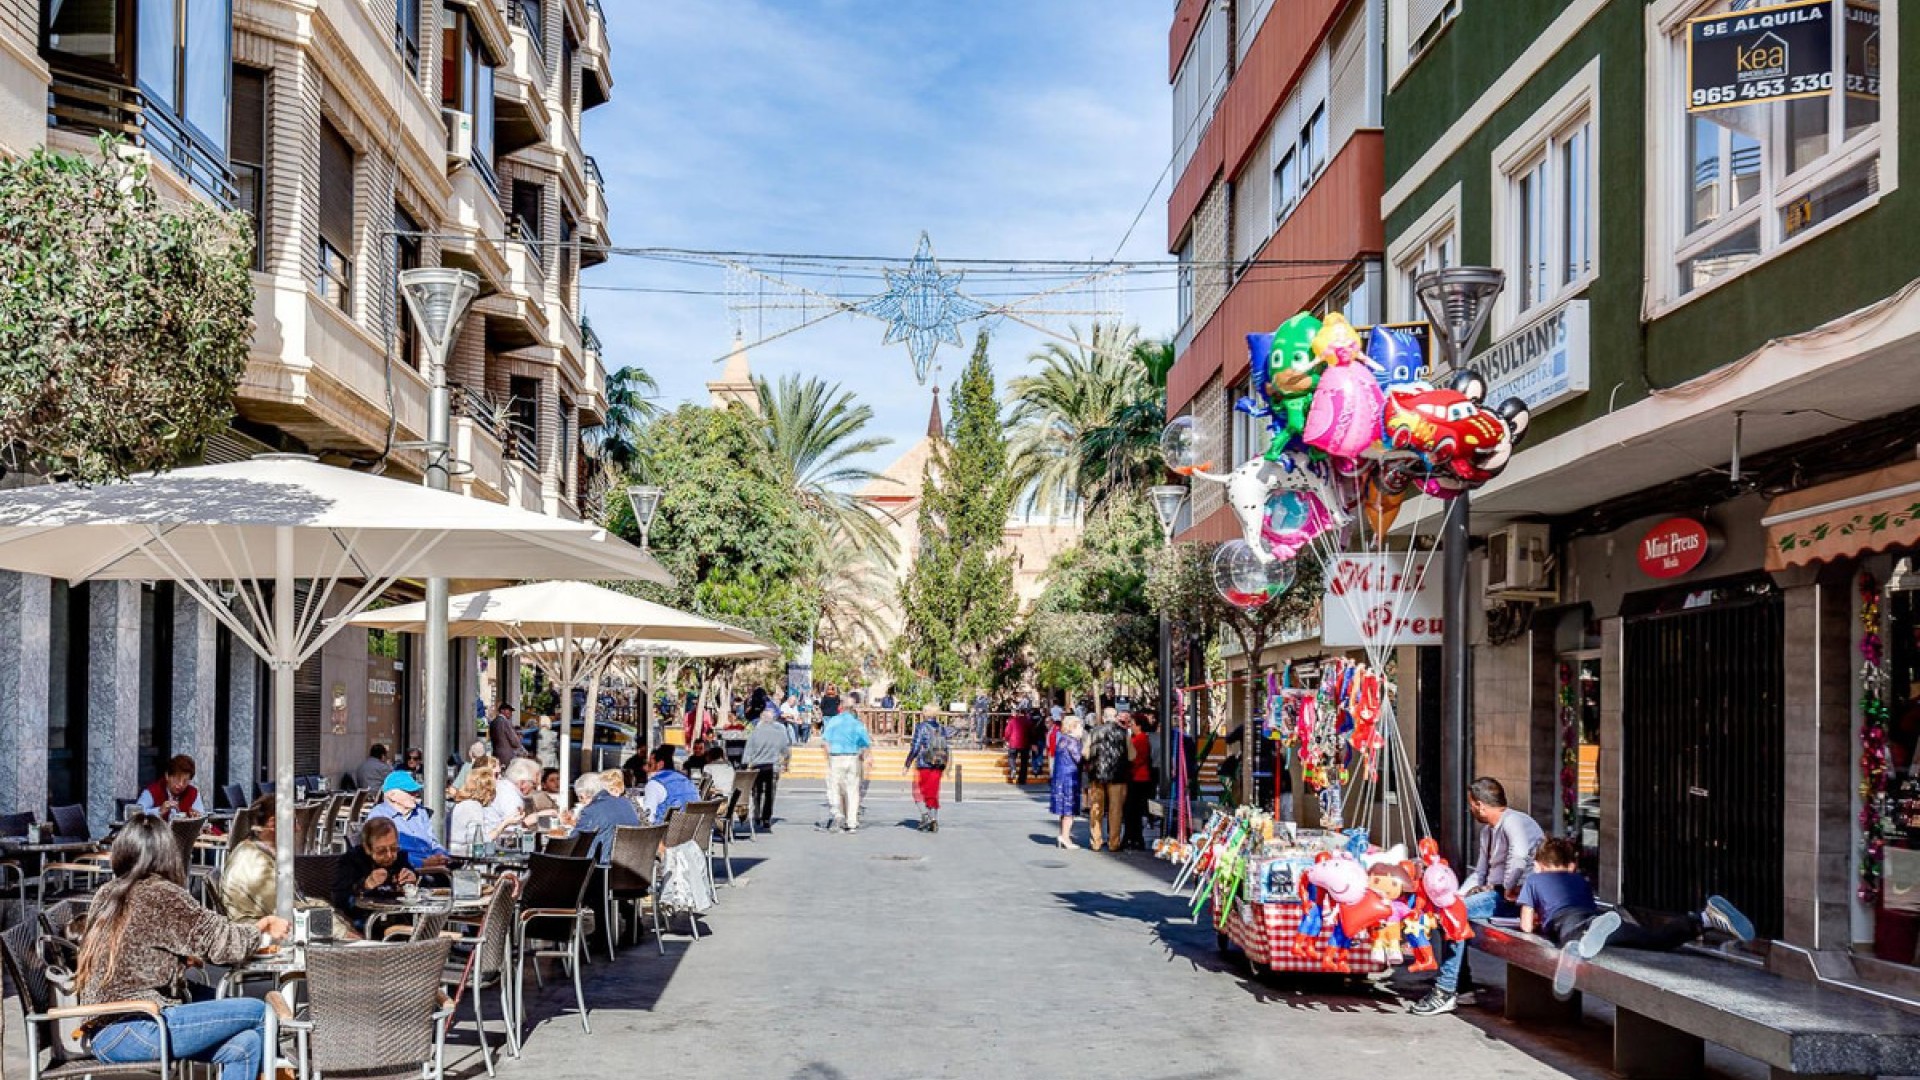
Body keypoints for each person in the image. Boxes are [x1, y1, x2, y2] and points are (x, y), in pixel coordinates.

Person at [74, 817, 284, 1080]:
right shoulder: (161, 894)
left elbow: (133, 950)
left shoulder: (107, 893)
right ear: (168, 853)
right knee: (260, 1012)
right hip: (139, 1027)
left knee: (246, 1045)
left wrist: (177, 960)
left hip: (106, 1033)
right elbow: (221, 942)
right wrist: (262, 932)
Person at [1518, 838, 1755, 997]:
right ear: (1570, 865)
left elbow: (1526, 925)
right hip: (1597, 917)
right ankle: (1704, 919)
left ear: (1539, 865)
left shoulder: (1534, 880)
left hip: (1568, 922)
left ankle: (1579, 946)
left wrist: (1539, 922)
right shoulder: (1580, 880)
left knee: (1569, 937)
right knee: (1655, 940)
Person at [1411, 777, 1546, 1017]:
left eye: (1471, 804)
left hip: (1517, 899)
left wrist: (1504, 887)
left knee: (1454, 915)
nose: (1470, 808)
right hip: (1495, 894)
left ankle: (1446, 990)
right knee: (1450, 912)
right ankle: (1460, 987)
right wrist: (1456, 896)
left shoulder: (1514, 821)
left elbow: (1519, 858)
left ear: (1481, 805)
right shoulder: (1487, 832)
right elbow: (1480, 872)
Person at [334, 817, 416, 930]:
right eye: (381, 851)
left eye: (393, 848)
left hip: (400, 918)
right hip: (365, 923)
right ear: (367, 848)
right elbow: (340, 900)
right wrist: (365, 885)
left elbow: (418, 886)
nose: (389, 855)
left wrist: (412, 880)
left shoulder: (400, 859)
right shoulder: (352, 861)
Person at [365, 770, 451, 871]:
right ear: (392, 796)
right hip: (405, 871)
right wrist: (422, 863)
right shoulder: (379, 816)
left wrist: (441, 854)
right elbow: (384, 855)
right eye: (410, 792)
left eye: (415, 792)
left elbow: (432, 842)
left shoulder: (420, 812)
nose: (415, 795)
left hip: (435, 867)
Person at [822, 702, 874, 833]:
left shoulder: (834, 721)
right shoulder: (856, 723)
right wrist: (867, 756)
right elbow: (865, 742)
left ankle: (837, 813)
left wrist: (828, 757)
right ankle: (852, 821)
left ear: (841, 709)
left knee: (834, 787)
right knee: (852, 790)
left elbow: (825, 740)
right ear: (852, 710)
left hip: (836, 757)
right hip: (852, 757)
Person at [1083, 710, 1130, 853]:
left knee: (1096, 808)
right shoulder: (1124, 733)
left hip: (1097, 774)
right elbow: (1132, 755)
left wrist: (1094, 759)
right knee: (1115, 810)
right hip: (1117, 776)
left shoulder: (1093, 732)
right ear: (1115, 718)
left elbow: (1085, 753)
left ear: (1103, 718)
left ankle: (1096, 841)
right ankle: (1113, 843)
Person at [569, 770, 641, 862]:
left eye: (579, 797)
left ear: (583, 795)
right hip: (631, 865)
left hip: (603, 866)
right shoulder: (626, 803)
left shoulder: (591, 810)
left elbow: (574, 842)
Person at [742, 707, 791, 830]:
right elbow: (786, 750)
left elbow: (748, 751)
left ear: (761, 719)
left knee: (757, 792)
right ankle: (766, 817)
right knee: (770, 793)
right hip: (772, 766)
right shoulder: (779, 733)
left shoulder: (755, 733)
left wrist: (745, 764)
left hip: (757, 766)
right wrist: (786, 763)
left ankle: (757, 814)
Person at [449, 757, 512, 854]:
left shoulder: (464, 804)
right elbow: (479, 842)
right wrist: (504, 824)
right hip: (461, 857)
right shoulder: (473, 807)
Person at [904, 706, 950, 832]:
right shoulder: (941, 728)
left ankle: (925, 816)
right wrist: (946, 765)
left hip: (924, 763)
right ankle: (934, 819)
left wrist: (907, 763)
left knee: (918, 791)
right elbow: (946, 747)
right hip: (938, 764)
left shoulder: (921, 727)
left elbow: (916, 746)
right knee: (933, 792)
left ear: (925, 713)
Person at [640, 744, 699, 824]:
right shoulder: (687, 781)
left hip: (665, 834)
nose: (645, 769)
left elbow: (647, 819)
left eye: (650, 765)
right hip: (692, 833)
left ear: (660, 764)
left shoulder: (654, 784)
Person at [1051, 716, 1085, 849]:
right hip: (1070, 777)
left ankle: (1063, 834)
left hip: (1061, 776)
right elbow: (1079, 759)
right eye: (1080, 726)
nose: (1081, 729)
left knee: (1063, 809)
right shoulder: (1072, 741)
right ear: (1073, 727)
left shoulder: (1062, 739)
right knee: (1069, 809)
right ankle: (1065, 837)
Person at [1122, 715, 1154, 850]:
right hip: (1137, 776)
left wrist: (1128, 767)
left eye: (1133, 723)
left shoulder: (1140, 740)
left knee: (1132, 809)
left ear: (1139, 725)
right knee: (1133, 810)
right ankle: (1133, 836)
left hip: (1138, 777)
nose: (1131, 726)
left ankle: (1133, 837)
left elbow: (1137, 759)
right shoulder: (1138, 738)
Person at [136, 754, 201, 819]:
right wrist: (159, 811)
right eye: (177, 779)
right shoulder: (152, 791)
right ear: (167, 776)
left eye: (185, 781)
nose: (181, 784)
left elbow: (202, 817)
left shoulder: (193, 793)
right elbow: (135, 815)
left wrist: (197, 817)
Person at [1004, 708, 1031, 785]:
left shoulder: (1012, 721)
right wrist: (1031, 742)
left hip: (1013, 743)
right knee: (1024, 762)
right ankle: (1022, 780)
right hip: (1025, 743)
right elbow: (1031, 732)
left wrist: (1006, 739)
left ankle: (1013, 768)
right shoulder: (1028, 721)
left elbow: (1007, 732)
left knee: (1011, 757)